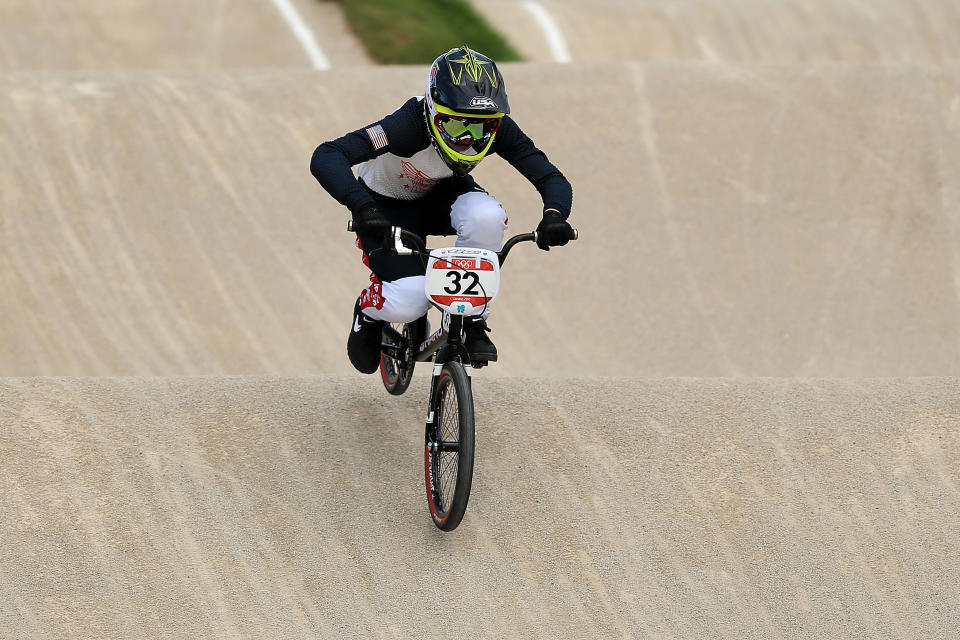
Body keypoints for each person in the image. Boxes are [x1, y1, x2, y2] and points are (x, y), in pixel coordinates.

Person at [311, 45, 574, 374]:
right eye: (456, 125)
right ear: (433, 110)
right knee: (410, 300)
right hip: (384, 206)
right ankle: (367, 311)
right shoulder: (407, 126)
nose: (468, 139)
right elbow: (327, 155)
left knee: (487, 217)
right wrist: (361, 206)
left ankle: (472, 319)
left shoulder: (500, 127)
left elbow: (550, 176)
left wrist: (555, 215)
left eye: (481, 128)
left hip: (440, 195)